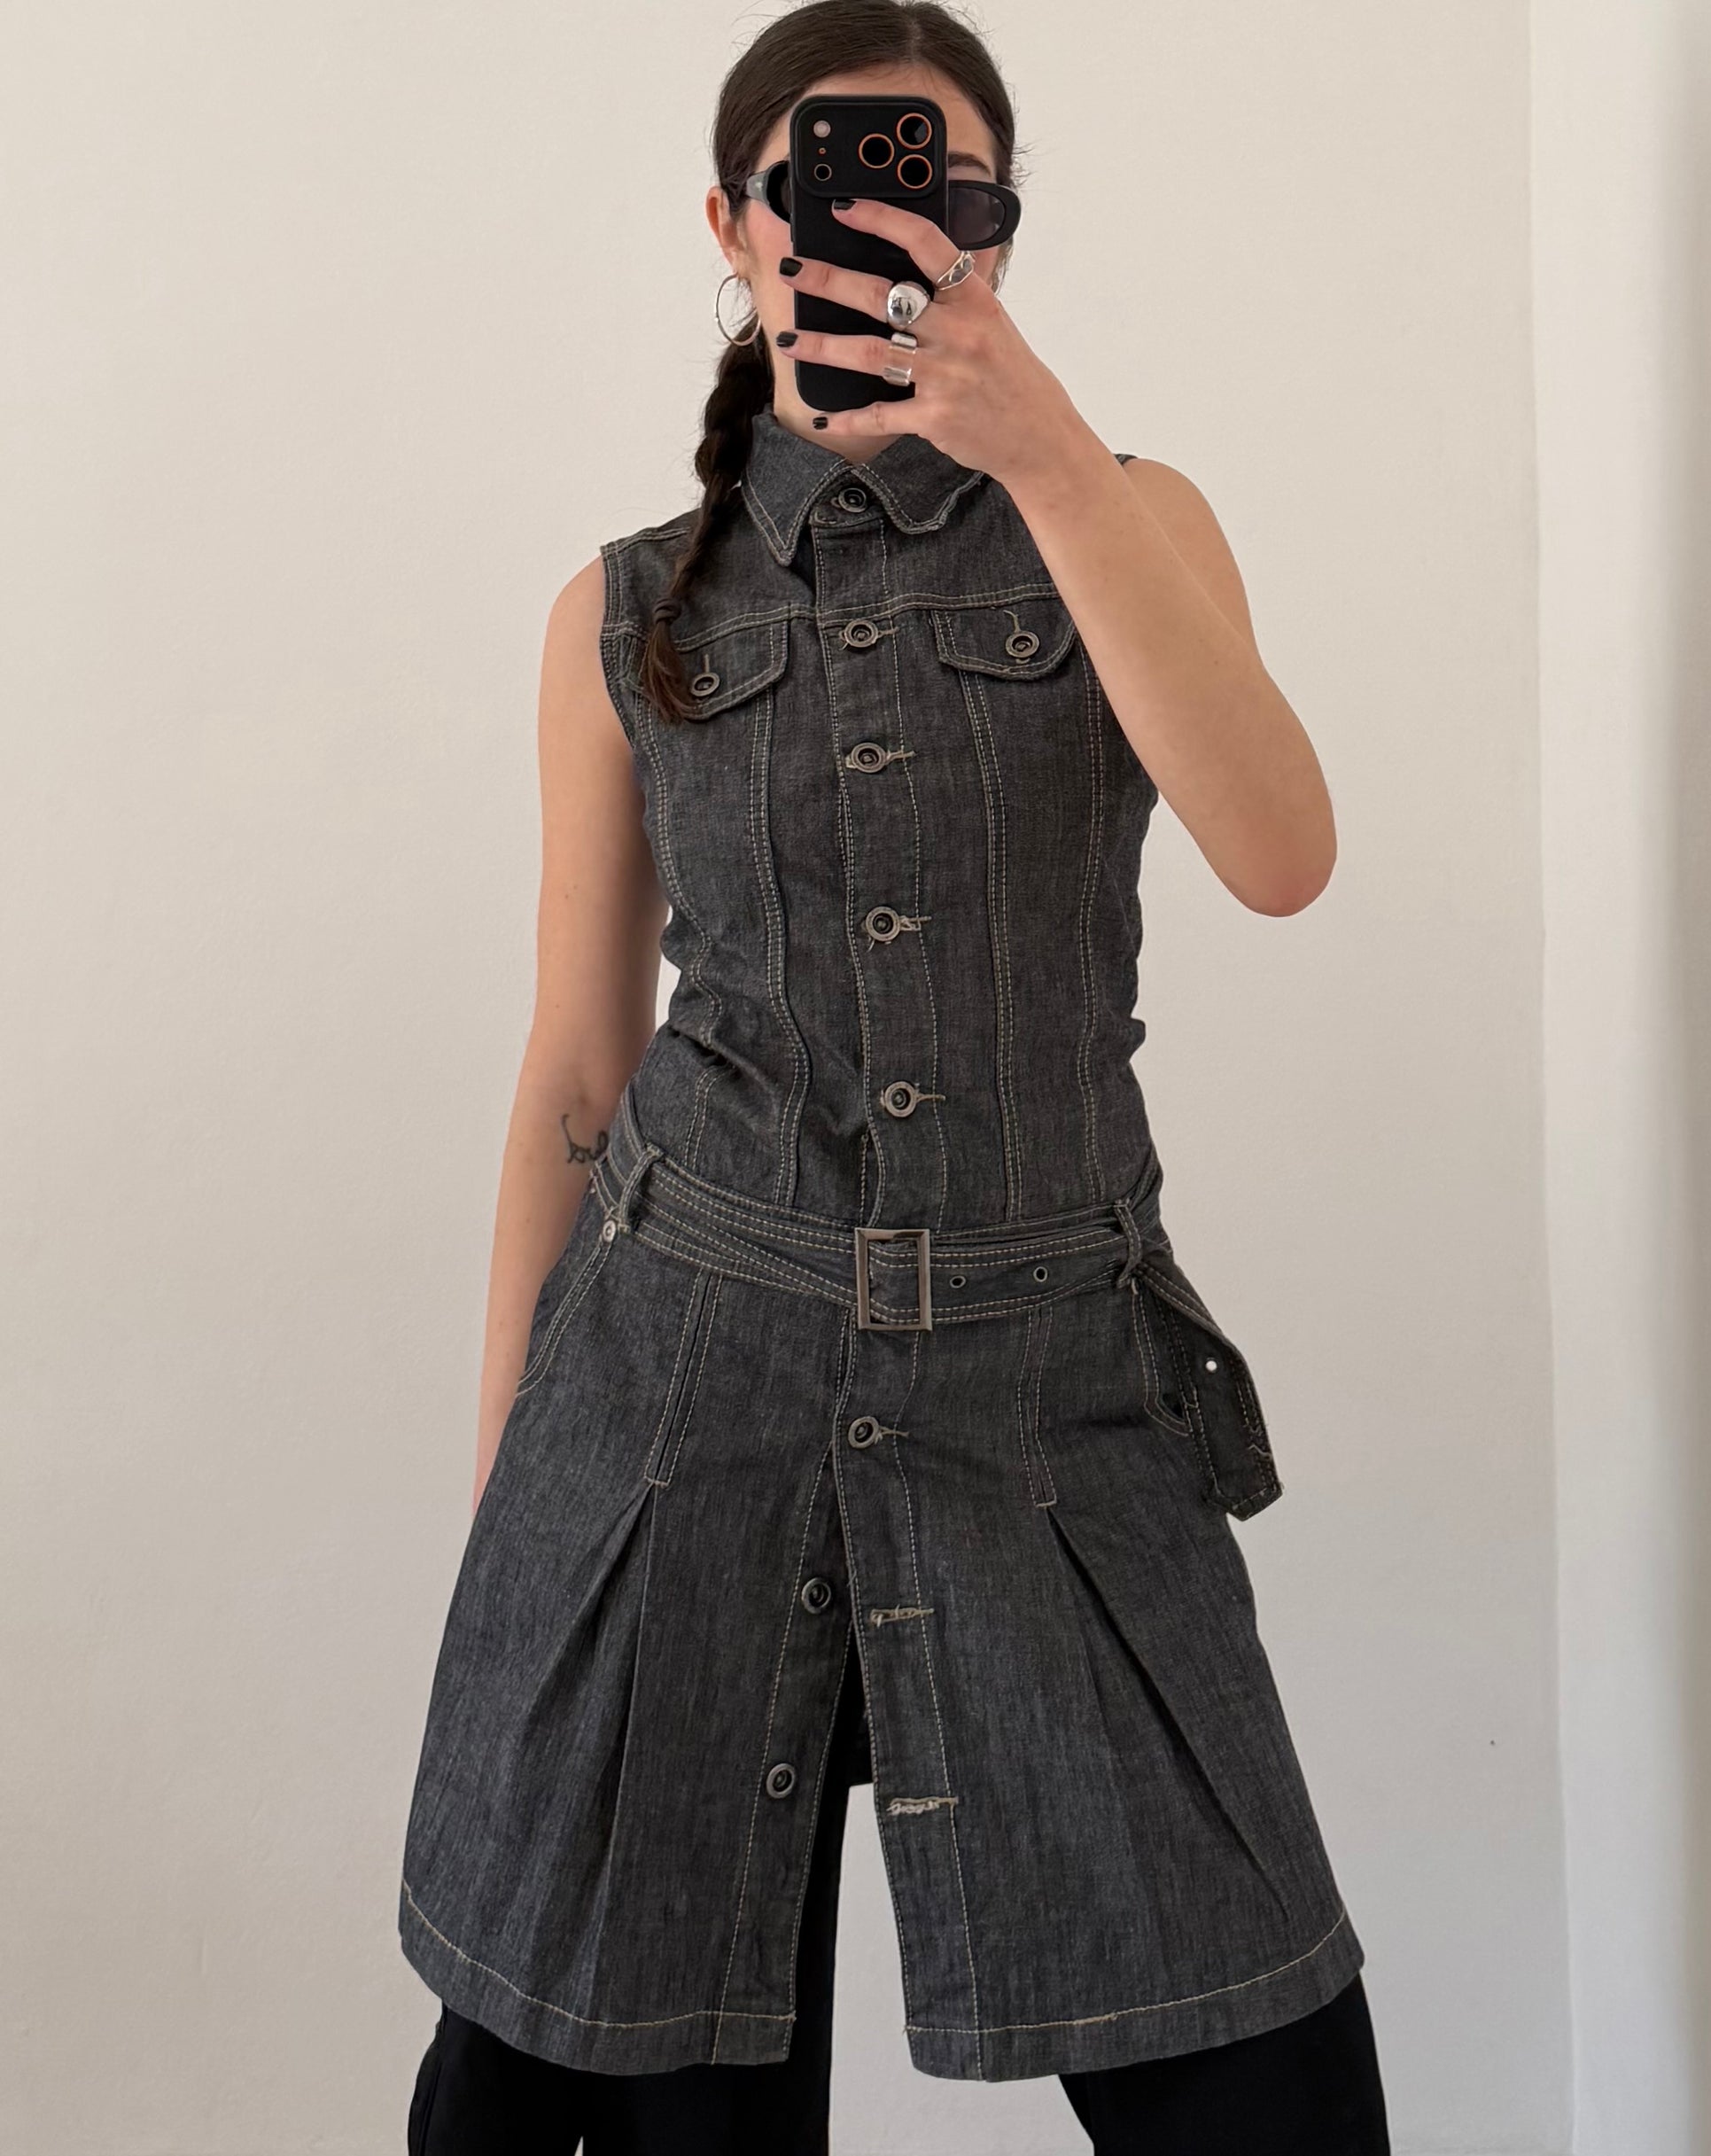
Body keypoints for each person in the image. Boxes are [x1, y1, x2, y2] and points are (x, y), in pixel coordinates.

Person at [395, 4, 1393, 2150]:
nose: (876, 230)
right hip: (674, 1399)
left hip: (1053, 1401)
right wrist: (505, 1499)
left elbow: (1282, 850)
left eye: (944, 193)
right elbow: (577, 1069)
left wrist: (1047, 453)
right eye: (819, 189)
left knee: (1267, 2079)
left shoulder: (1129, 514)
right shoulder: (622, 609)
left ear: (994, 235)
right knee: (639, 2076)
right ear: (734, 226)